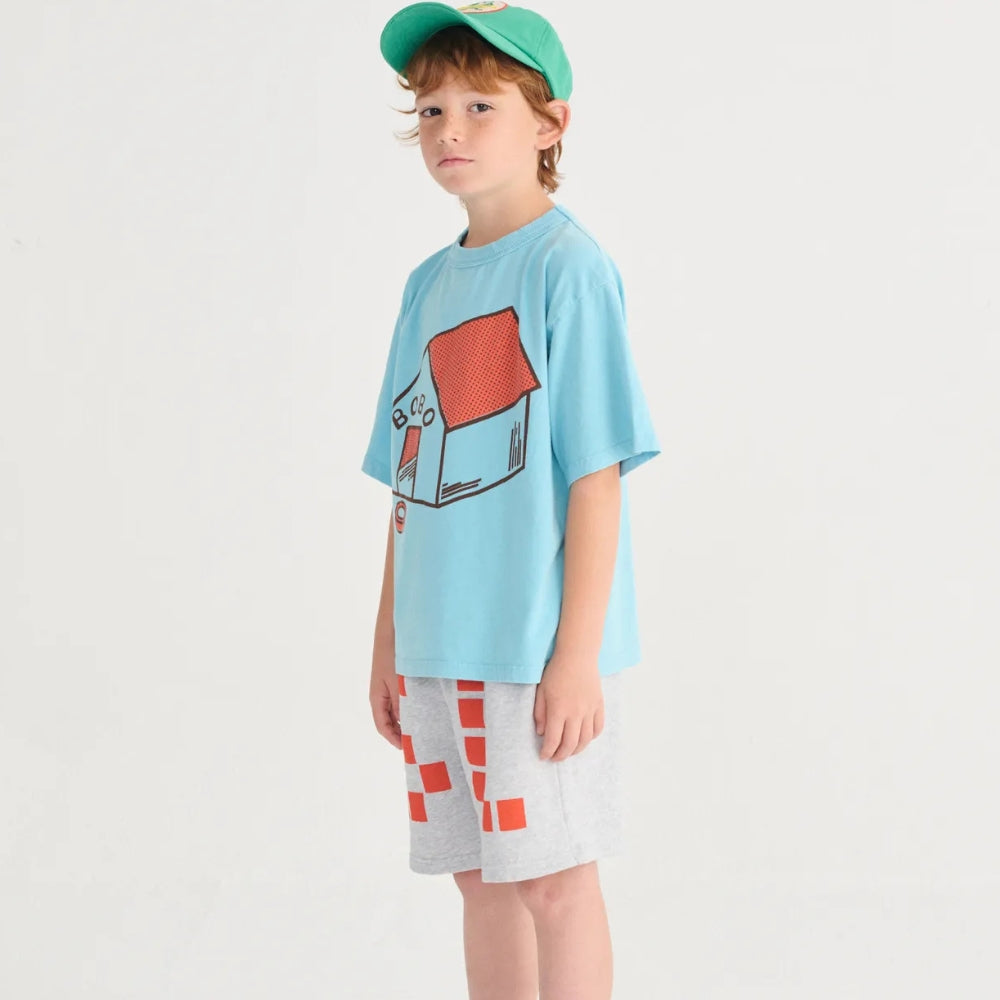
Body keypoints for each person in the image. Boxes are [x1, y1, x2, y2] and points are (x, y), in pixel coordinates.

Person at [361, 4, 661, 998]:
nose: (449, 129)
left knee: (554, 880)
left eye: (480, 106)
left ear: (549, 123)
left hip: (531, 649)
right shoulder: (426, 287)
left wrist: (576, 656)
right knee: (477, 876)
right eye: (432, 108)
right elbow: (409, 481)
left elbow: (596, 475)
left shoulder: (567, 270)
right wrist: (388, 641)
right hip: (437, 647)